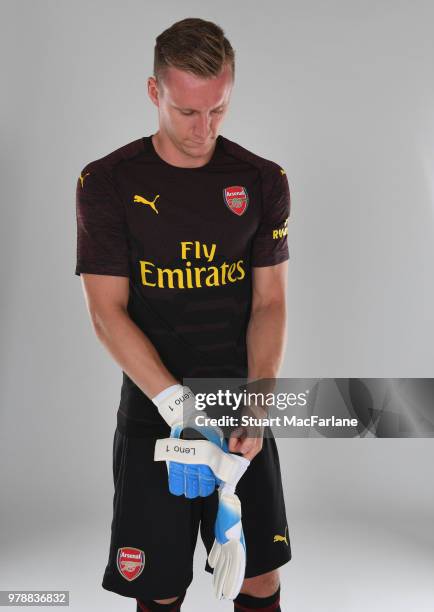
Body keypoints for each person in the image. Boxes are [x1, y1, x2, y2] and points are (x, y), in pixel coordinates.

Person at [75, 17, 291, 612]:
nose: (205, 129)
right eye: (188, 112)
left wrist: (260, 398)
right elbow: (106, 312)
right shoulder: (108, 182)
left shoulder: (262, 179)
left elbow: (269, 302)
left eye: (218, 110)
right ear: (154, 93)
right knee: (161, 586)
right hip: (155, 412)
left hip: (240, 404)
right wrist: (178, 406)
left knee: (258, 579)